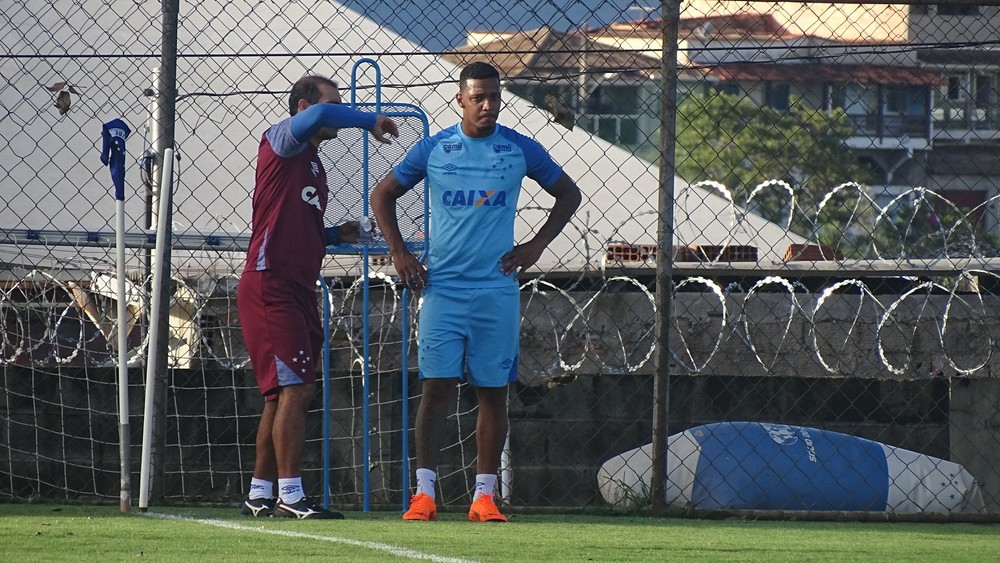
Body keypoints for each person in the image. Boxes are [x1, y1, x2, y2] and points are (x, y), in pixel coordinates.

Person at [370, 61, 582, 522]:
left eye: (494, 97)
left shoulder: (519, 150)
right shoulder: (436, 149)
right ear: (460, 99)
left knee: (493, 393)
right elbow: (382, 195)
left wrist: (535, 245)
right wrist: (400, 252)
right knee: (436, 390)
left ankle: (484, 497)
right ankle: (424, 494)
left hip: (496, 290)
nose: (487, 106)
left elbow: (569, 194)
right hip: (443, 289)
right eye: (478, 97)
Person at [237, 74, 398, 519]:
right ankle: (291, 497)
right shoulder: (282, 141)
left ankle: (260, 493)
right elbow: (325, 115)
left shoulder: (311, 162)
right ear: (304, 106)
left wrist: (335, 233)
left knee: (281, 395)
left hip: (296, 286)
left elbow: (295, 225)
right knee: (298, 389)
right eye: (331, 104)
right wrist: (368, 119)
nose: (336, 113)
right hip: (272, 283)